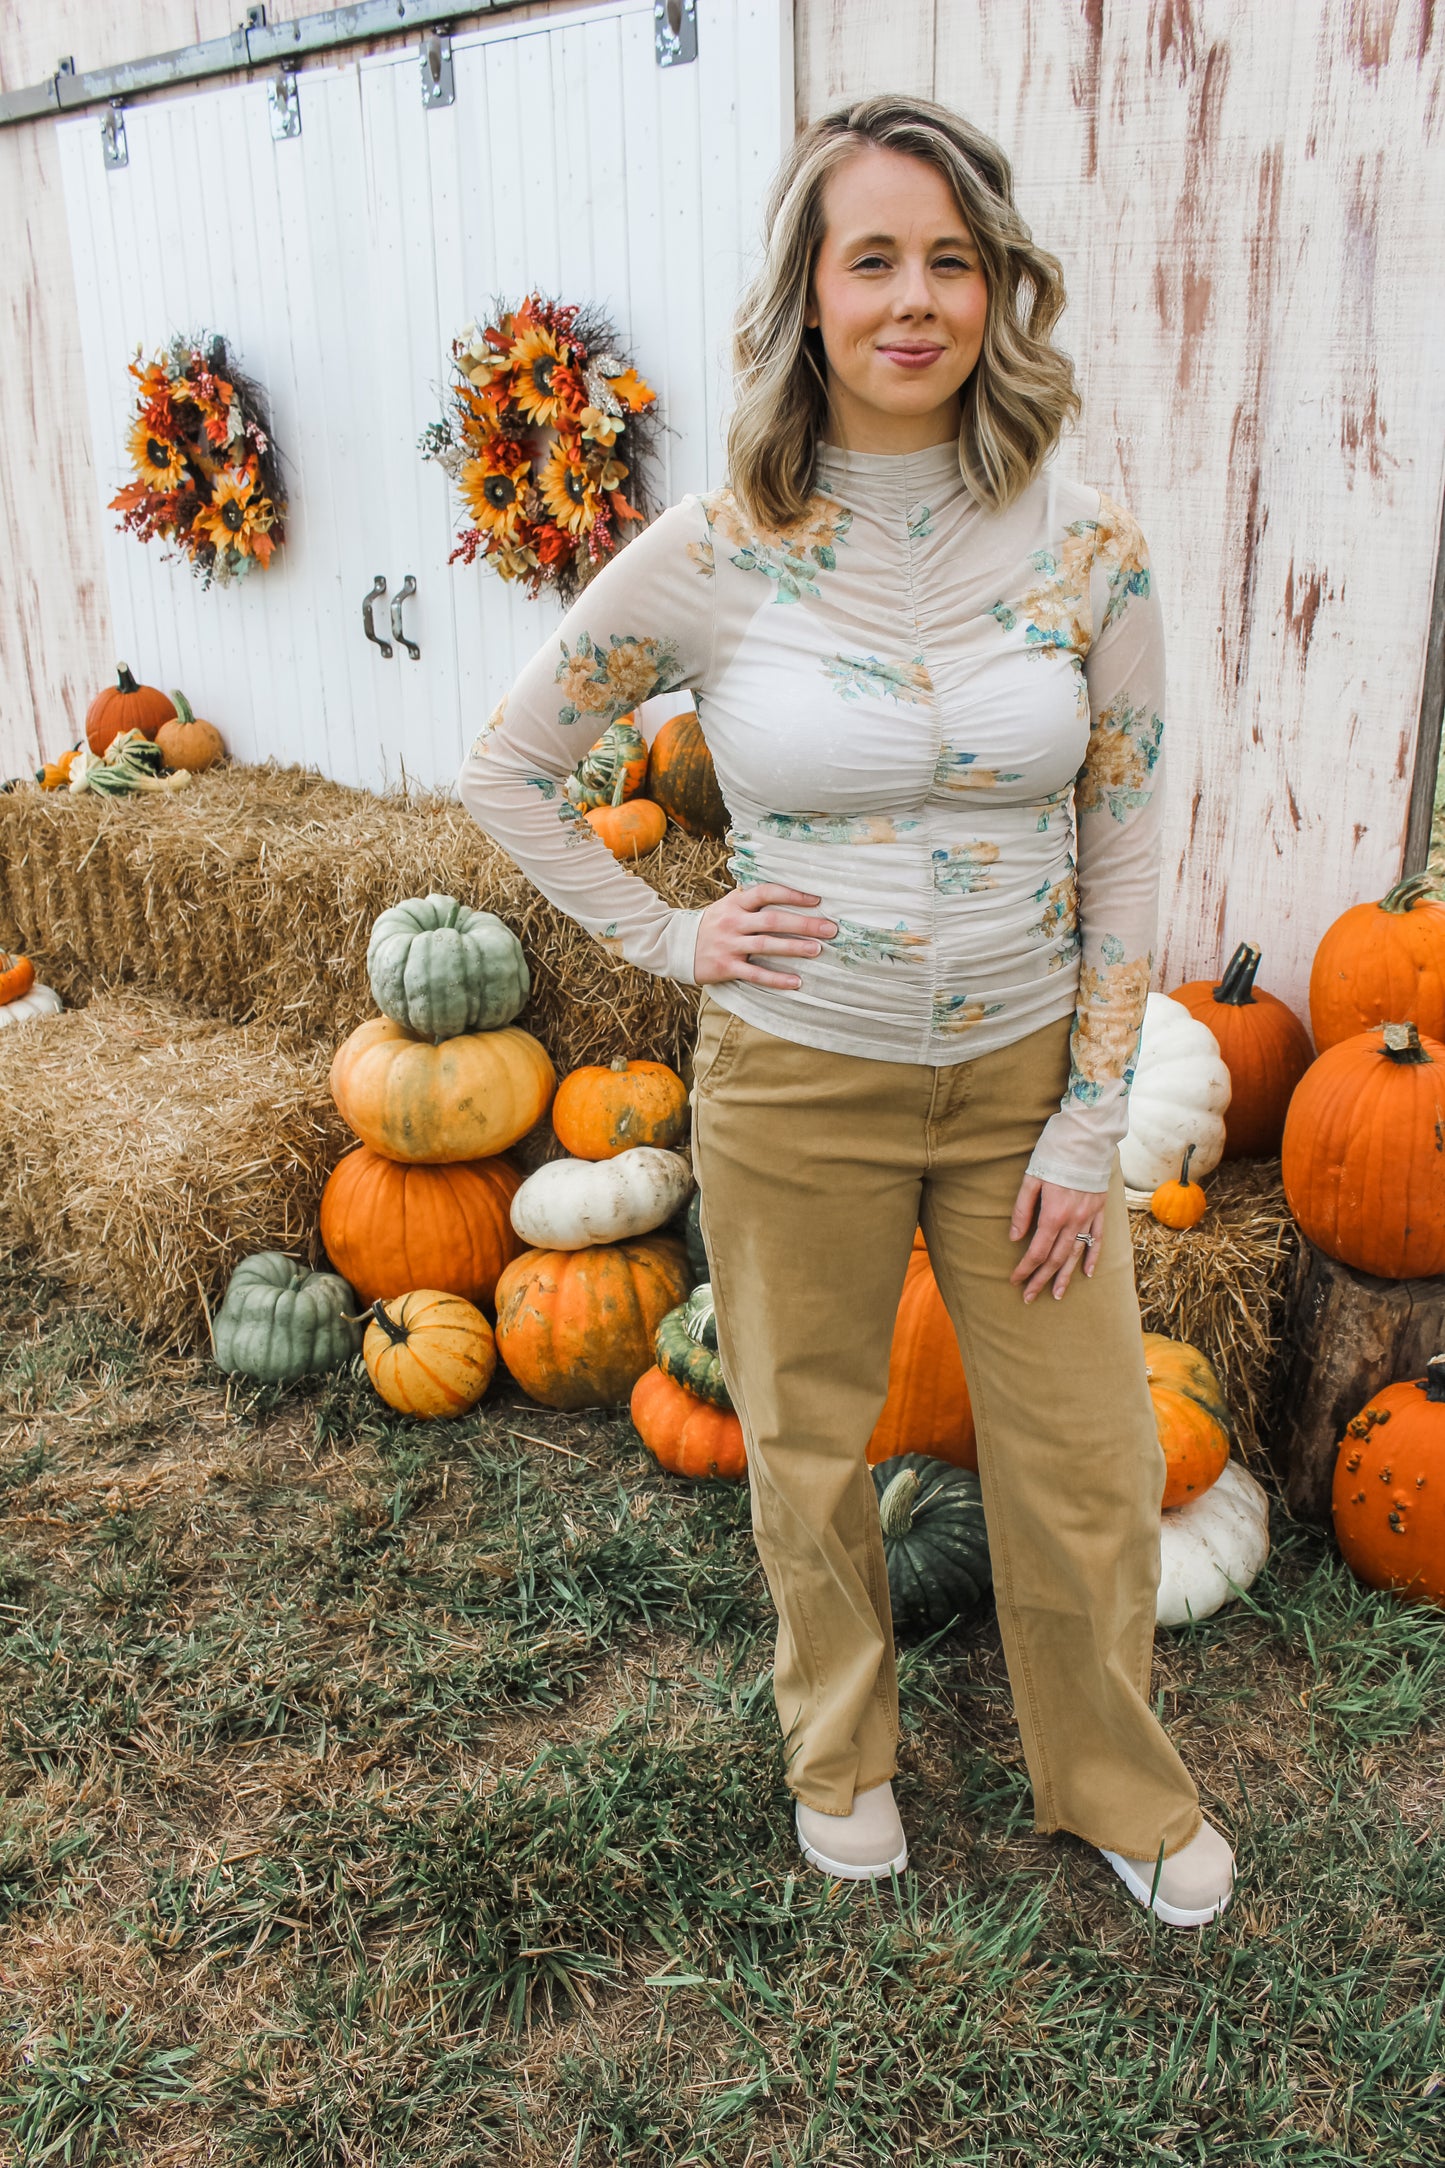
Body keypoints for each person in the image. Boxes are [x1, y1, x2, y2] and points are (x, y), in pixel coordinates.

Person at [456, 92, 1236, 1930]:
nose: (914, 298)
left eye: (948, 260)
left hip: (1017, 1087)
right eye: (870, 258)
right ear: (808, 297)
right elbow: (511, 769)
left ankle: (1110, 1784)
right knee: (807, 1450)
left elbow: (1123, 840)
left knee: (1088, 1459)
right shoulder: (721, 548)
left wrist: (1087, 1111)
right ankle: (842, 1759)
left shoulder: (1082, 544)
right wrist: (673, 940)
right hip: (797, 1084)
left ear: (995, 289)